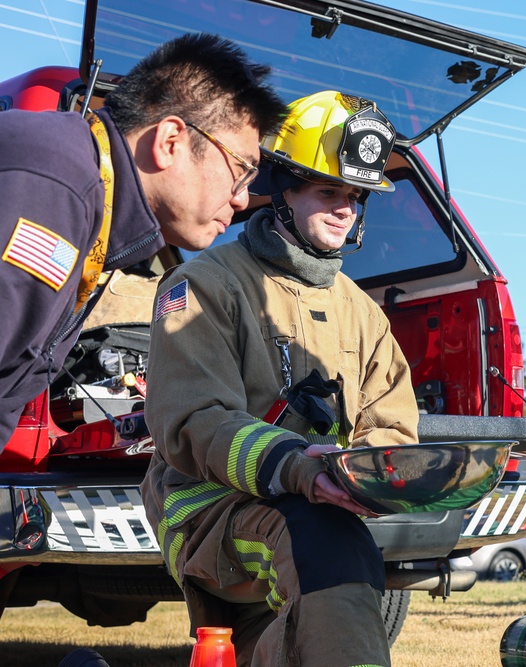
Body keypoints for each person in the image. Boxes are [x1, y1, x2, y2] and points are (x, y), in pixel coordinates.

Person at [140, 90, 420, 667]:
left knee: (312, 590)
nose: (345, 209)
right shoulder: (202, 286)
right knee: (324, 544)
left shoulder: (362, 311)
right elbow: (195, 421)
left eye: (356, 197)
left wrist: (370, 479)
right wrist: (301, 468)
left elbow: (391, 425)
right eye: (328, 191)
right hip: (207, 509)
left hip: (312, 503)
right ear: (285, 190)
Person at [0, 32, 286, 451]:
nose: (243, 198)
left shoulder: (86, 192)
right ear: (170, 142)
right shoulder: (55, 185)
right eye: (242, 169)